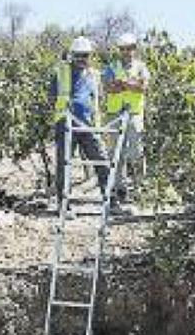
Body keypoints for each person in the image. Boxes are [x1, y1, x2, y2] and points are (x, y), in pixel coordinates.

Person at [49, 36, 110, 214]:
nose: (82, 59)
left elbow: (97, 99)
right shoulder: (61, 72)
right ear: (72, 55)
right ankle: (63, 205)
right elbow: (51, 97)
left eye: (85, 55)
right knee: (64, 164)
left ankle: (110, 201)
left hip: (89, 125)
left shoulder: (94, 74)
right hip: (66, 125)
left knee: (102, 161)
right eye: (79, 55)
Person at [103, 32, 150, 202]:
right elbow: (108, 87)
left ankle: (139, 187)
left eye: (129, 48)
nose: (126, 52)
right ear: (119, 50)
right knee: (116, 153)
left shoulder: (141, 67)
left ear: (134, 49)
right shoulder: (111, 66)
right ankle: (119, 188)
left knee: (136, 152)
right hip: (114, 113)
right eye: (123, 49)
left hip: (134, 114)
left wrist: (123, 84)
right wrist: (130, 84)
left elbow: (143, 87)